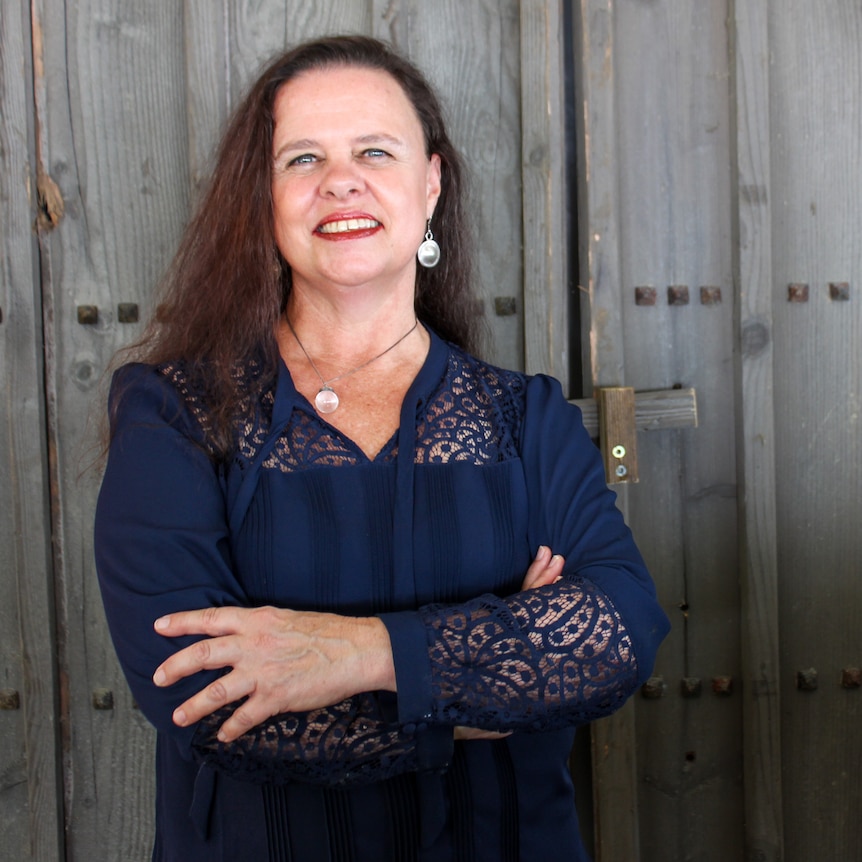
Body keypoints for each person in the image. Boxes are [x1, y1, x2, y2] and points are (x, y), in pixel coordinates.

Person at [94, 34, 669, 862]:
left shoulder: (524, 417)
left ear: (429, 183)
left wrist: (357, 653)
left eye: (374, 149)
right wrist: (497, 682)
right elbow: (213, 705)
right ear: (263, 194)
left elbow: (615, 638)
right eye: (302, 158)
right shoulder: (176, 415)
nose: (341, 180)